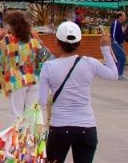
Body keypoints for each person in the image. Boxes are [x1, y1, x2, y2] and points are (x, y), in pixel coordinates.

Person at [37, 21, 117, 163]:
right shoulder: (89, 62)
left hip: (60, 127)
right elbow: (113, 74)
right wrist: (105, 48)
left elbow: (41, 101)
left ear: (57, 42)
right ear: (79, 42)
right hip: (87, 127)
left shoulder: (48, 67)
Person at [0, 11, 46, 120]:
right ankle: (31, 136)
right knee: (32, 114)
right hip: (34, 79)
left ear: (13, 26)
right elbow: (42, 56)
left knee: (16, 115)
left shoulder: (6, 41)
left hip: (15, 81)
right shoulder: (34, 39)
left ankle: (18, 137)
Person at [109, 11, 127, 80]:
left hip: (118, 43)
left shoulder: (119, 24)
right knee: (122, 57)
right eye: (124, 16)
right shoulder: (116, 23)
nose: (125, 17)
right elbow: (113, 34)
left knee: (117, 58)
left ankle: (115, 73)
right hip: (115, 43)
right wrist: (116, 42)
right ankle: (119, 74)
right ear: (120, 17)